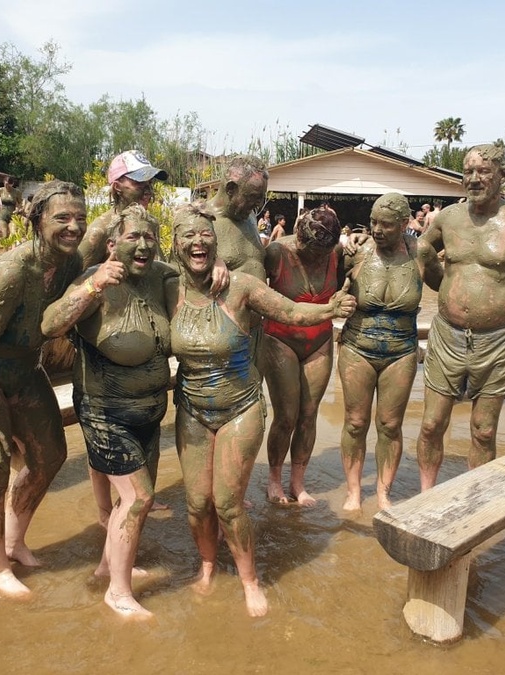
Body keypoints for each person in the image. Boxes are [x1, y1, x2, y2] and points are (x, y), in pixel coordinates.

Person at [169, 201, 356, 617]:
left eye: (206, 237)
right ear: (176, 244)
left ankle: (250, 580)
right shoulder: (166, 287)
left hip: (240, 407)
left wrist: (330, 310)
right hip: (192, 408)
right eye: (189, 237)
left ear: (217, 244)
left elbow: (288, 310)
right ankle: (205, 567)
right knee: (198, 503)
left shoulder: (241, 286)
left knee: (228, 502)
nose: (198, 243)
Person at [0, 180, 87, 598]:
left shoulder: (72, 264)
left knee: (51, 456)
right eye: (62, 218)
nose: (73, 227)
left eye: (79, 218)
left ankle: (13, 540)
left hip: (25, 371)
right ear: (37, 220)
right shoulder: (11, 270)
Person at [41, 204, 175, 619]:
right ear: (113, 244)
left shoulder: (160, 277)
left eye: (151, 237)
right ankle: (118, 592)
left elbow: (197, 267)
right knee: (139, 498)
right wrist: (93, 287)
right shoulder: (95, 278)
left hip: (150, 411)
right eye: (134, 236)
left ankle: (107, 566)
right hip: (105, 412)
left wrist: (220, 264)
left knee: (133, 502)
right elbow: (49, 324)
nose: (144, 244)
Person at [414, 144, 505, 491]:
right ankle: (426, 495)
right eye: (468, 172)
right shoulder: (447, 218)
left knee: (484, 429)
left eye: (483, 172)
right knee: (431, 424)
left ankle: (475, 498)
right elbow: (421, 250)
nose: (474, 179)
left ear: (502, 176)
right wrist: (438, 283)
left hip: (499, 339)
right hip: (447, 334)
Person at [337, 193, 432, 511]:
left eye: (386, 224)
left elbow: (450, 286)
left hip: (400, 351)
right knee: (355, 422)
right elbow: (319, 273)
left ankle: (383, 492)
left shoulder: (421, 254)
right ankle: (353, 491)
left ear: (405, 224)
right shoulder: (357, 250)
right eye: (373, 221)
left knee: (390, 425)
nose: (376, 229)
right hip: (357, 347)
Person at [261, 206, 345, 506]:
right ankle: (274, 479)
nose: (315, 257)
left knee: (308, 415)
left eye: (321, 252)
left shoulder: (337, 253)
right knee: (286, 415)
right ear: (300, 238)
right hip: (279, 338)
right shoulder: (276, 253)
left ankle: (298, 483)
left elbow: (351, 284)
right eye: (310, 250)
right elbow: (254, 291)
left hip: (320, 339)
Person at [79, 150, 169, 268]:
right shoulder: (100, 231)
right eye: (139, 183)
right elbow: (75, 281)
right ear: (117, 187)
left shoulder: (151, 224)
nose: (148, 190)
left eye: (150, 183)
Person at [0, 176, 20, 244]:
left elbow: (20, 203)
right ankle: (5, 250)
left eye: (8, 185)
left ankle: (12, 250)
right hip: (2, 215)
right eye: (5, 184)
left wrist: (18, 209)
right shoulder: (0, 190)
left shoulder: (17, 192)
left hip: (13, 215)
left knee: (13, 234)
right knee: (5, 235)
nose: (6, 186)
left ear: (12, 184)